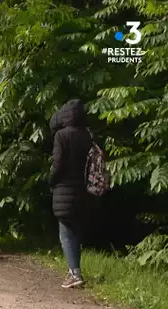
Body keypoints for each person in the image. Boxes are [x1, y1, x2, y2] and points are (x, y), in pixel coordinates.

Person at [49, 98, 93, 289]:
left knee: (66, 234)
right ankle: (75, 271)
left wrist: (51, 179)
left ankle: (75, 274)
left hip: (64, 190)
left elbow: (58, 164)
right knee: (76, 231)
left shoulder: (61, 135)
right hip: (83, 190)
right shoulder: (88, 135)